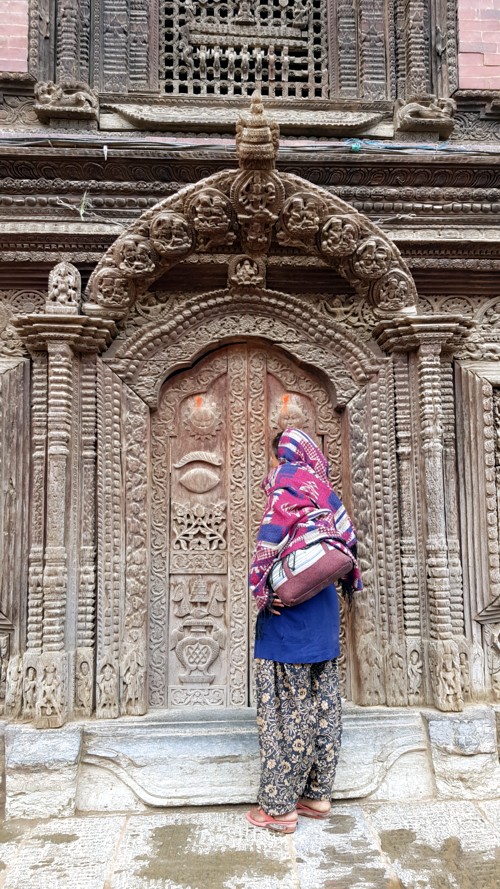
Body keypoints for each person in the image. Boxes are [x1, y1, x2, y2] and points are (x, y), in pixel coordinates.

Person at [246, 427, 362, 834]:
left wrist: (260, 586)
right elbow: (348, 545)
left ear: (285, 455)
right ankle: (317, 796)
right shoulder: (326, 494)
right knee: (323, 704)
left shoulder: (287, 482)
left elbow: (270, 541)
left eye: (278, 455)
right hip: (324, 611)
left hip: (289, 615)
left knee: (284, 711)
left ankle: (278, 809)